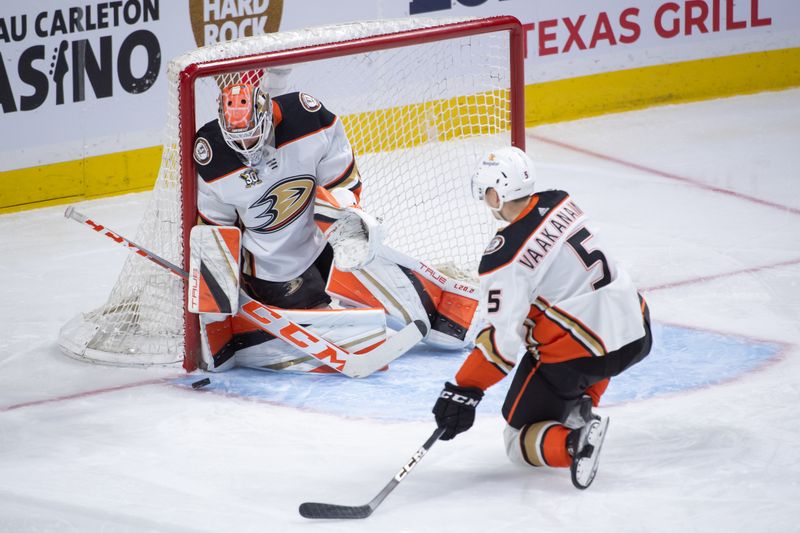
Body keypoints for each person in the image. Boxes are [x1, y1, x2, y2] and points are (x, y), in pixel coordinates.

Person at [192, 80, 480, 373]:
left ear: (267, 119)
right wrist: (220, 300)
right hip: (273, 271)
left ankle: (453, 318)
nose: (246, 146)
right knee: (340, 325)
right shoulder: (212, 156)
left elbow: (340, 180)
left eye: (253, 135)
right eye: (237, 140)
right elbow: (215, 234)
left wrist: (348, 227)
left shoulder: (307, 118)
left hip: (325, 244)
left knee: (371, 264)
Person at [431, 146, 652, 489]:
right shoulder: (561, 201)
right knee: (586, 317)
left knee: (517, 440)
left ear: (496, 193)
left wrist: (463, 390)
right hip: (637, 329)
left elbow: (500, 346)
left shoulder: (504, 257)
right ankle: (582, 407)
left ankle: (573, 444)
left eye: (486, 192)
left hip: (586, 355)